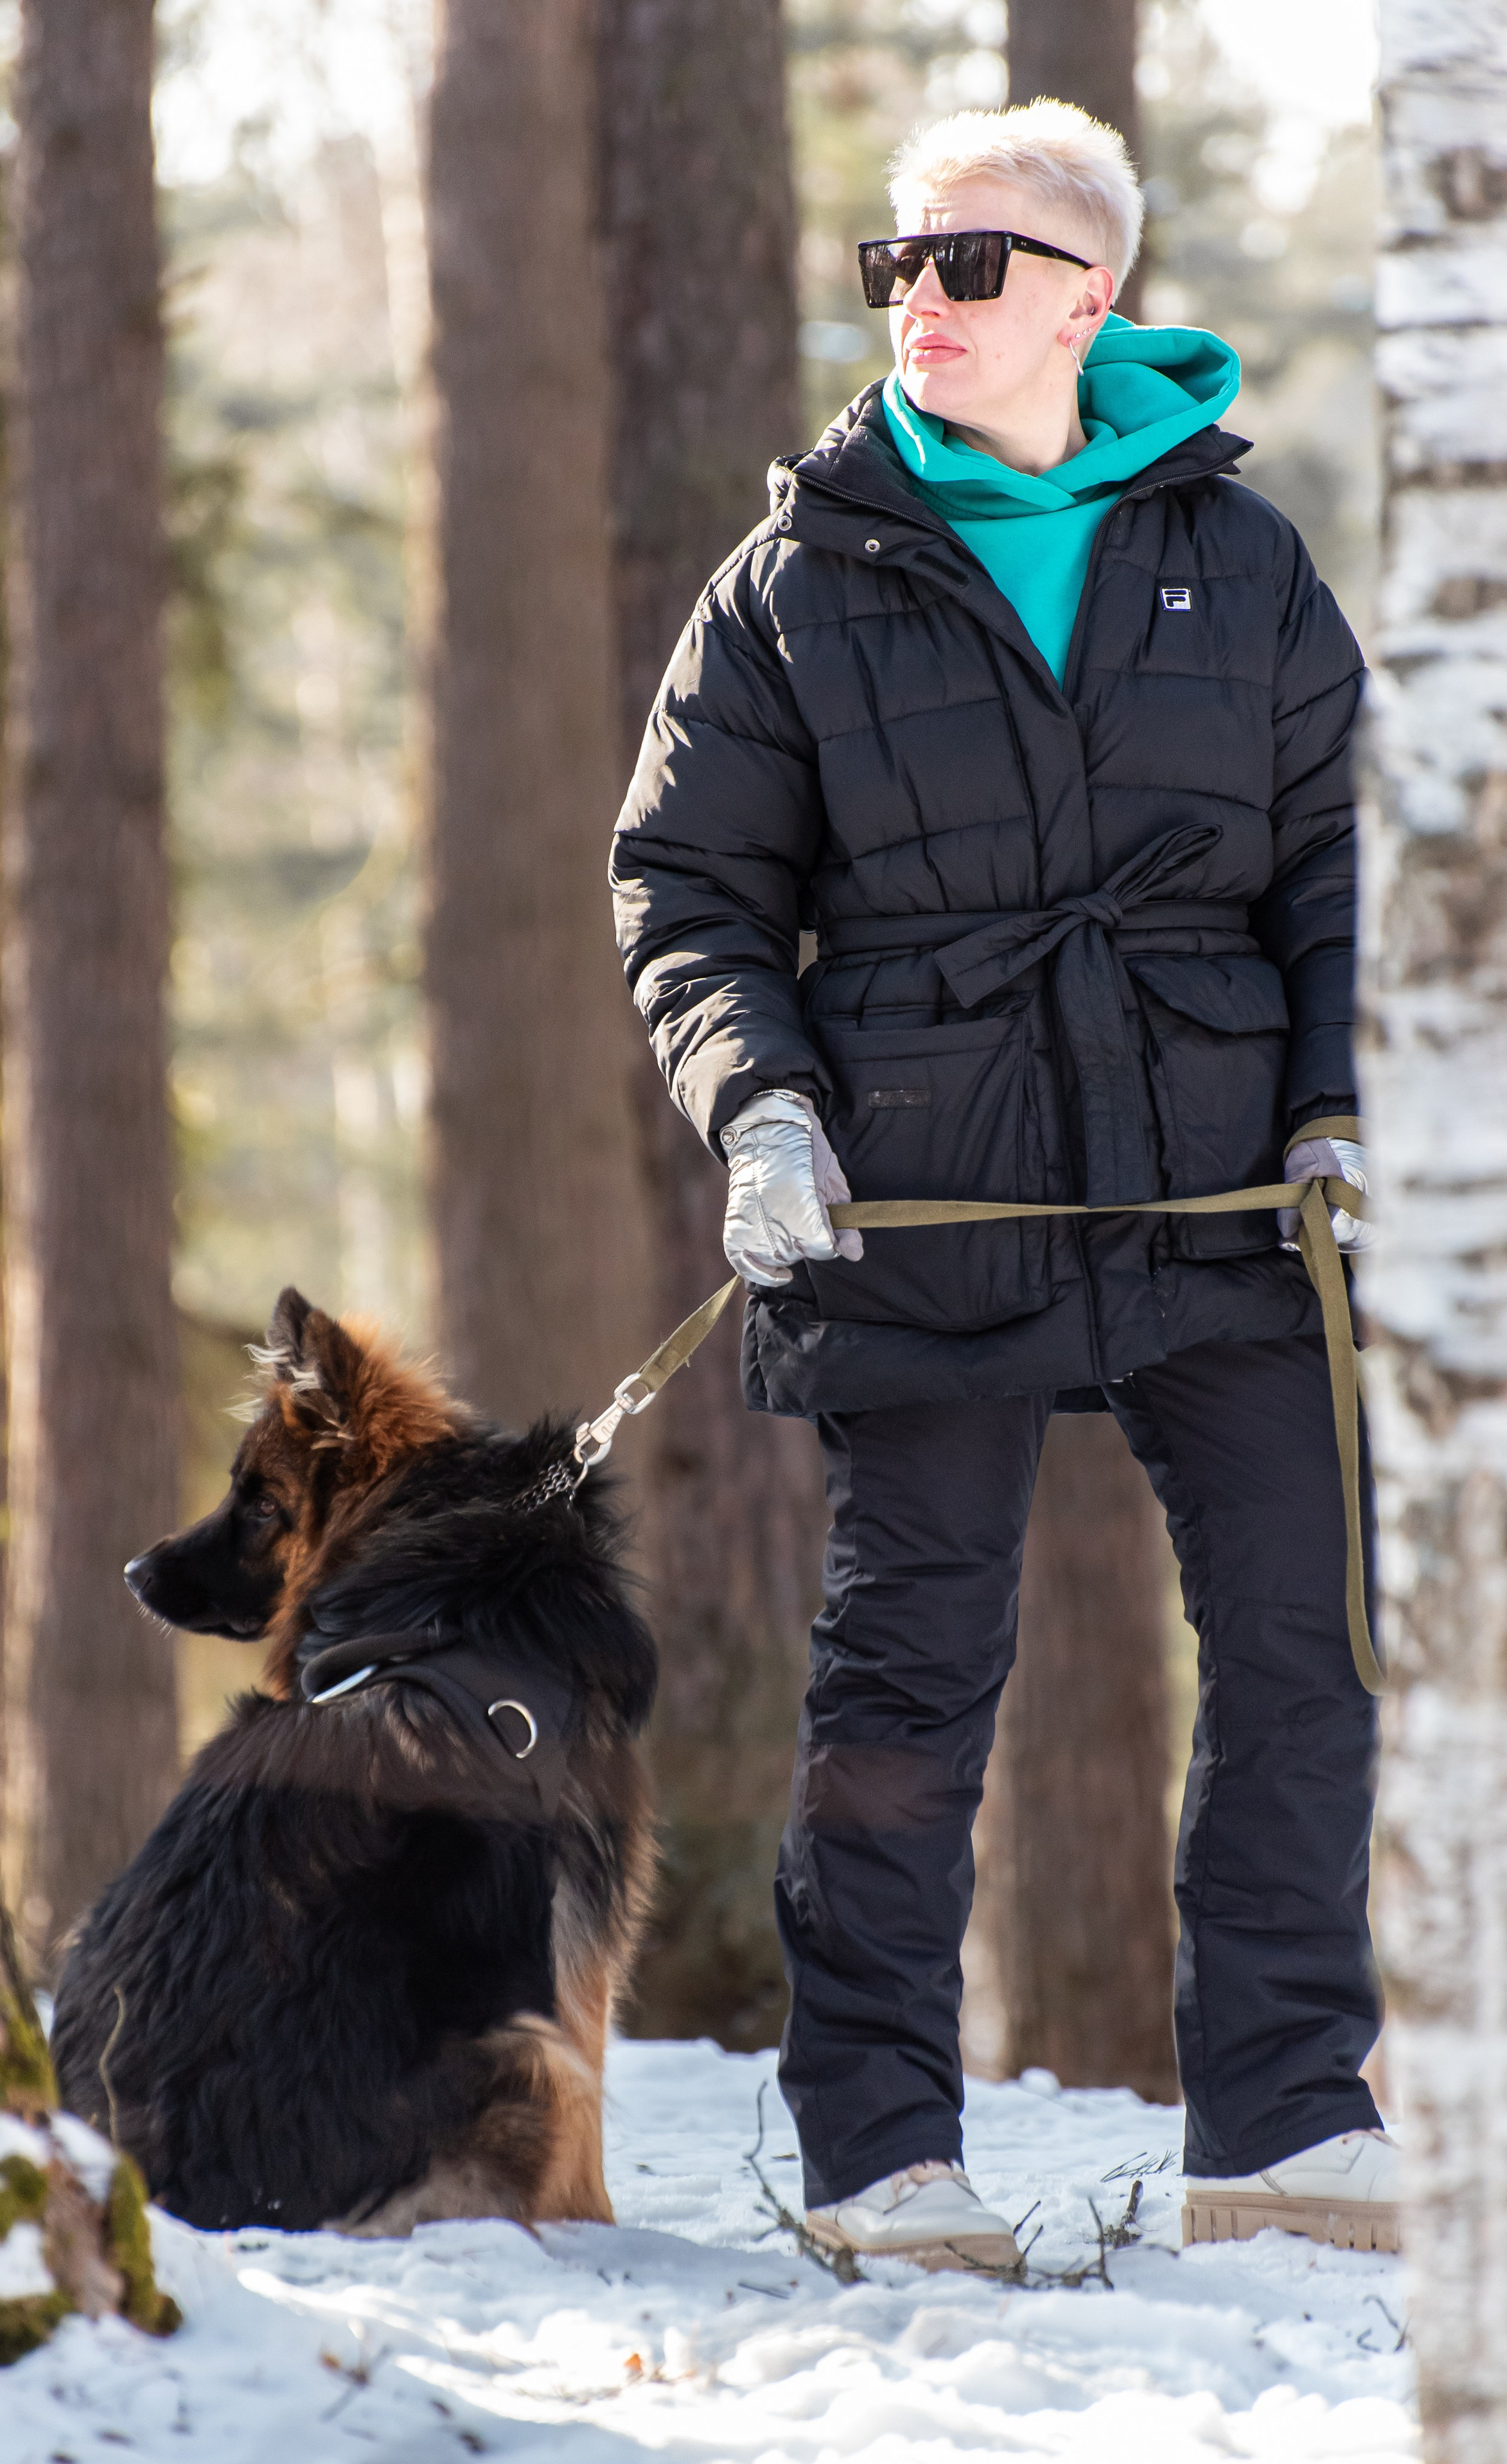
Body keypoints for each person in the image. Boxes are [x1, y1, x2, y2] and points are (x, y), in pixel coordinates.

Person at [610, 97, 1394, 2271]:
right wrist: (760, 1110)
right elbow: (685, 886)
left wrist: (1340, 1106)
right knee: (908, 1674)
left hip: (1222, 1193)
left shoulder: (1235, 558)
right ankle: (880, 2148)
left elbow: (1349, 857)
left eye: (969, 263)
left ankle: (1288, 2123)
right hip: (926, 1192)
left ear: (1093, 297)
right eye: (898, 264)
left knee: (1306, 1643)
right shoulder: (794, 576)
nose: (919, 302)